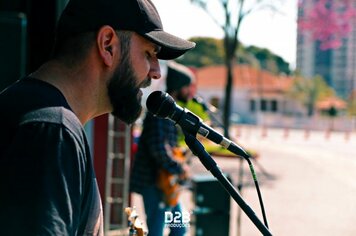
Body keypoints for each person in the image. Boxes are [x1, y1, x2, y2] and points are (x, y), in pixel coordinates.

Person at [0, 0, 195, 235]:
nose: (155, 72)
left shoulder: (44, 119)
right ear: (107, 45)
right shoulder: (51, 131)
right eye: (149, 53)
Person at [130, 61, 194, 236]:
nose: (190, 91)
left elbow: (167, 146)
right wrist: (180, 167)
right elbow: (159, 149)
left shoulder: (170, 112)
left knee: (180, 228)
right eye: (187, 86)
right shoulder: (160, 113)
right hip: (153, 182)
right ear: (178, 85)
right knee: (156, 231)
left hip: (165, 183)